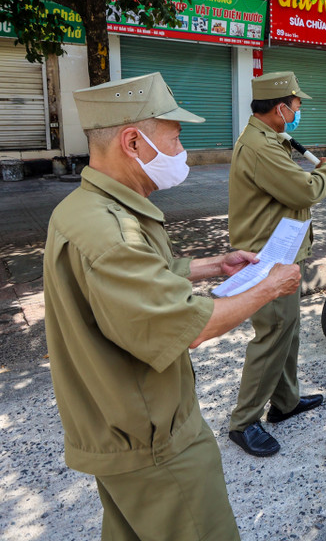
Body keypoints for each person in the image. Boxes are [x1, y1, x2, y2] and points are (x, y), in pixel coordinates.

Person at [43, 73, 302, 540]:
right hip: (155, 443)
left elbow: (137, 280)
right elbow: (189, 327)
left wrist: (210, 264)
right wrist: (270, 286)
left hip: (118, 429)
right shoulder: (111, 233)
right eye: (175, 136)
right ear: (133, 142)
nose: (183, 148)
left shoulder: (86, 210)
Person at [227, 71, 326, 457]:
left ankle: (285, 402)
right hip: (266, 258)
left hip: (279, 253)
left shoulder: (270, 139)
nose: (299, 111)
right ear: (280, 108)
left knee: (287, 329)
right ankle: (243, 422)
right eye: (296, 105)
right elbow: (303, 188)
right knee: (273, 332)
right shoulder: (261, 147)